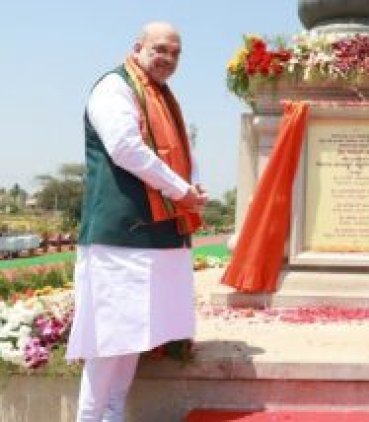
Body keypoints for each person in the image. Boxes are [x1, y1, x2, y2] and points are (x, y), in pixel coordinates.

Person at [66, 21, 208, 422]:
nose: (168, 59)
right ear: (138, 47)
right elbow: (126, 147)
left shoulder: (160, 96)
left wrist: (190, 187)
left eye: (176, 53)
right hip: (119, 238)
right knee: (109, 343)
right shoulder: (114, 88)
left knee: (133, 337)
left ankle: (112, 417)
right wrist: (181, 190)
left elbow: (180, 153)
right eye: (160, 49)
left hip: (152, 238)